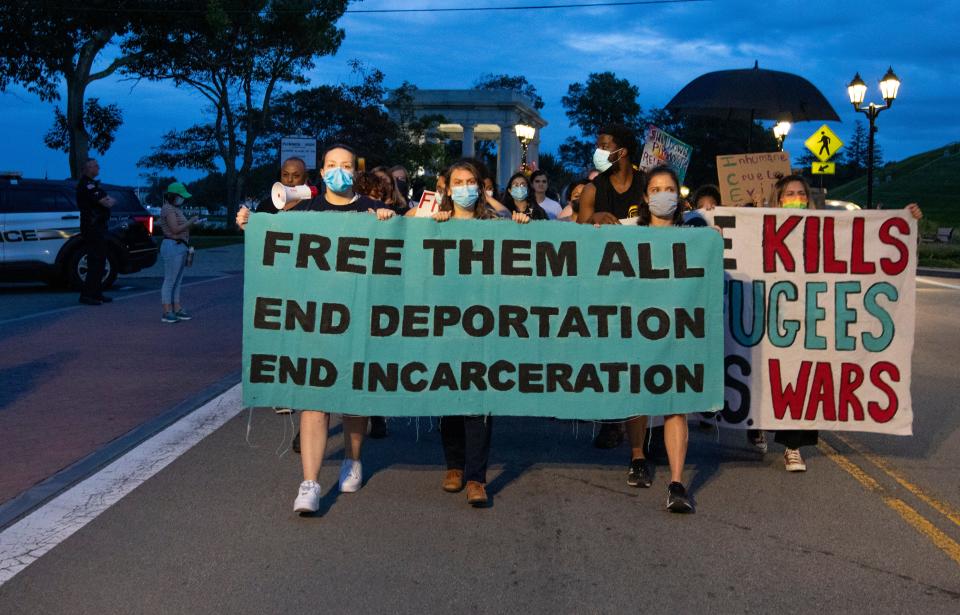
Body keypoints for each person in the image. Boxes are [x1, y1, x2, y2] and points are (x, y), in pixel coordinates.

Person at [237, 144, 394, 513]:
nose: (339, 171)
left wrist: (393, 221)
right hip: (313, 323)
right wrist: (249, 223)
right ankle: (309, 483)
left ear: (355, 173)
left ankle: (353, 458)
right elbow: (271, 243)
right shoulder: (303, 210)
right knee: (314, 401)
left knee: (353, 398)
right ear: (321, 173)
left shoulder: (372, 211)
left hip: (359, 320)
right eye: (331, 165)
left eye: (346, 166)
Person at [746, 175, 923, 472]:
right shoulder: (760, 229)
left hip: (813, 319)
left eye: (800, 193)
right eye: (789, 194)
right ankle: (758, 424)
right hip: (771, 318)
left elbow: (875, 248)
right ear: (777, 201)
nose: (795, 198)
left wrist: (907, 221)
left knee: (806, 379)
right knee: (772, 375)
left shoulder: (826, 230)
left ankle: (793, 447)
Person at [432, 160, 530, 508]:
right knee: (448, 398)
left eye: (471, 181)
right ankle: (453, 466)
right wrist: (433, 223)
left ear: (481, 187)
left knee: (478, 402)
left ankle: (476, 477)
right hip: (444, 324)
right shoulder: (435, 225)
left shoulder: (495, 225)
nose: (465, 188)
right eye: (458, 182)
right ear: (447, 188)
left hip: (484, 325)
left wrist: (518, 224)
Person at [614, 165, 697, 513]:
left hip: (679, 328)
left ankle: (677, 483)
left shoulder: (695, 233)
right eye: (656, 189)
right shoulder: (629, 231)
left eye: (669, 189)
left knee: (676, 401)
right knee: (639, 395)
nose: (663, 195)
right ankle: (638, 455)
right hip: (638, 326)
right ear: (646, 197)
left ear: (677, 196)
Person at [577, 124, 646, 448]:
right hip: (605, 283)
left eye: (605, 144)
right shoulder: (594, 189)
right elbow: (579, 232)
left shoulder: (647, 185)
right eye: (598, 144)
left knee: (642, 355)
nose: (599, 150)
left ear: (623, 150)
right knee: (608, 353)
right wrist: (594, 218)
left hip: (642, 281)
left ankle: (651, 431)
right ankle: (609, 420)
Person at [158, 182, 200, 323]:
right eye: (181, 196)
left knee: (177, 280)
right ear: (174, 196)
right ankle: (167, 311)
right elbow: (175, 229)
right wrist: (191, 221)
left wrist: (190, 224)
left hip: (180, 246)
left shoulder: (175, 209)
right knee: (170, 280)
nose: (183, 199)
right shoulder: (168, 209)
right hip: (172, 246)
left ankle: (176, 308)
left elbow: (180, 228)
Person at [76, 158, 116, 305]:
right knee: (95, 260)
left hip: (98, 226)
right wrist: (106, 201)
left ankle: (96, 293)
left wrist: (106, 201)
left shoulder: (93, 185)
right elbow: (107, 201)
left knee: (100, 261)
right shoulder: (87, 185)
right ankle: (87, 294)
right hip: (92, 227)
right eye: (95, 165)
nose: (98, 167)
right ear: (87, 169)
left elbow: (109, 201)